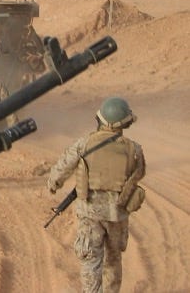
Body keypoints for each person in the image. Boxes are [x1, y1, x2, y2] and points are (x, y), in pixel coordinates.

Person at [47, 97, 146, 293]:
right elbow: (139, 173)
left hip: (90, 212)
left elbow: (63, 167)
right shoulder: (134, 148)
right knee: (113, 259)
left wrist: (53, 184)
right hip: (118, 214)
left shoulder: (85, 143)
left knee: (90, 261)